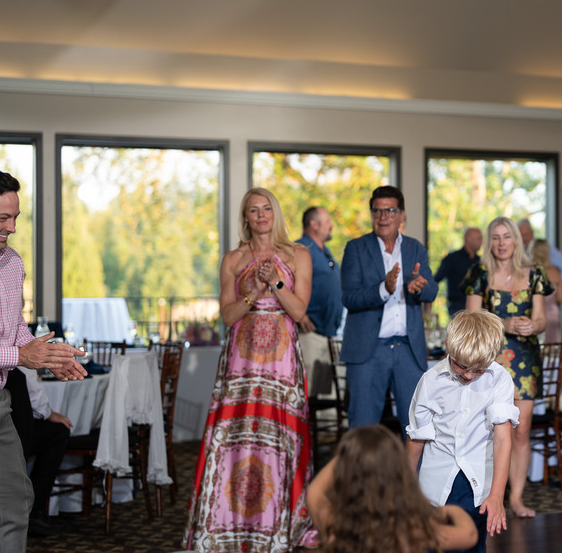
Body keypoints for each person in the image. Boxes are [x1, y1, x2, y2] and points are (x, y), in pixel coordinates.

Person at [183, 187, 318, 552]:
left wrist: (275, 281)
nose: (260, 215)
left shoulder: (298, 255)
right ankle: (229, 522)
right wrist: (255, 290)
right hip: (240, 366)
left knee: (282, 440)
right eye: (253, 210)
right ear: (245, 217)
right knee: (234, 439)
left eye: (266, 209)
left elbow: (299, 311)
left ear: (275, 213)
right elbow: (228, 316)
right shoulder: (232, 258)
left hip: (281, 364)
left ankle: (280, 525)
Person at [0, 169, 86, 552]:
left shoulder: (12, 263)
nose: (12, 227)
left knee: (16, 501)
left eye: (15, 217)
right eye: (2, 218)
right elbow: (15, 349)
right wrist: (22, 356)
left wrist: (47, 355)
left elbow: (13, 326)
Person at [406, 309, 519, 553]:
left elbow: (502, 439)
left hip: (477, 484)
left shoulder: (500, 380)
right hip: (435, 483)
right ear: (448, 347)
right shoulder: (430, 381)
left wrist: (497, 495)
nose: (468, 375)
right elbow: (416, 439)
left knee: (471, 545)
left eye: (478, 370)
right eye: (462, 366)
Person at [462, 216, 553, 518]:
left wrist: (532, 326)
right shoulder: (479, 273)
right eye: (496, 237)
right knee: (484, 429)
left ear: (516, 240)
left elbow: (542, 320)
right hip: (486, 360)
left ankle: (515, 498)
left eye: (507, 236)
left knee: (521, 430)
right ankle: (486, 494)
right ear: (490, 242)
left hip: (525, 360)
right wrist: (506, 324)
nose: (501, 243)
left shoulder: (535, 274)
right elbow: (471, 318)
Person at [340, 186, 437, 432]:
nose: (383, 217)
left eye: (390, 210)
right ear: (372, 214)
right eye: (377, 211)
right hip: (368, 352)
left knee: (417, 427)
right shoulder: (356, 248)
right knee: (362, 428)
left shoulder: (415, 248)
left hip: (408, 349)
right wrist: (385, 288)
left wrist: (419, 287)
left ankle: (411, 473)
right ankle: (361, 473)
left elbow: (432, 290)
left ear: (402, 215)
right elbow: (349, 297)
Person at [307, 425, 478, 553]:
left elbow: (315, 491)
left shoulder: (336, 528)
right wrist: (452, 510)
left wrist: (350, 455)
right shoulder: (412, 534)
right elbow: (469, 534)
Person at [6, 366, 73, 538]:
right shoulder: (14, 342)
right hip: (10, 429)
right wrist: (48, 412)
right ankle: (34, 512)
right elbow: (29, 385)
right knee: (58, 432)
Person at [297, 207, 343, 336]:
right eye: (327, 221)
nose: (331, 226)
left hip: (329, 334)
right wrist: (300, 316)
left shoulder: (324, 251)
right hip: (309, 333)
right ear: (314, 225)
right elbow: (284, 284)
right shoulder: (301, 249)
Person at [435, 228, 483, 316]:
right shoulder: (452, 259)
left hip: (479, 308)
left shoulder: (481, 261)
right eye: (479, 238)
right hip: (457, 309)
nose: (482, 242)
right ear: (468, 238)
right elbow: (435, 280)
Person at [516, 218, 562, 291]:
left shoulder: (543, 248)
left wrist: (553, 288)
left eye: (526, 234)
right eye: (521, 235)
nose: (524, 238)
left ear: (532, 233)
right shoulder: (515, 251)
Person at [529, 240, 562, 344]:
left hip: (533, 315)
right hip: (552, 315)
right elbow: (561, 298)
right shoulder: (555, 272)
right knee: (552, 350)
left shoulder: (528, 271)